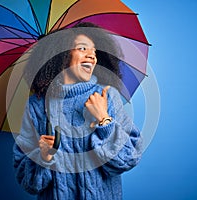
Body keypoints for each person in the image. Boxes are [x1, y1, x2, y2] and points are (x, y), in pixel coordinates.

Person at [13, 22, 143, 200]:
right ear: (63, 54)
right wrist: (43, 157)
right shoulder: (36, 105)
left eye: (95, 52)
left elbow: (128, 158)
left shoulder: (106, 95)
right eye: (83, 48)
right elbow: (28, 183)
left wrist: (104, 120)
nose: (92, 56)